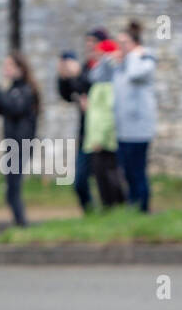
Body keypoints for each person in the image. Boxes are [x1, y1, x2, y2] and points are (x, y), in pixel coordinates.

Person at [0, 50, 41, 230]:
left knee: (13, 190)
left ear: (20, 68)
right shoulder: (13, 89)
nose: (6, 69)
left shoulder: (25, 90)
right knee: (11, 190)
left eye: (9, 65)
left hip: (21, 145)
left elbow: (13, 108)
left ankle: (22, 225)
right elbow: (0, 108)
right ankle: (20, 224)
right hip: (12, 145)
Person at [56, 28, 107, 212]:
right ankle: (91, 214)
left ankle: (111, 214)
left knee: (106, 179)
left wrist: (76, 75)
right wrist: (63, 77)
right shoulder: (86, 67)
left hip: (103, 133)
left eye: (93, 42)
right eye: (87, 43)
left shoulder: (105, 68)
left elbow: (89, 87)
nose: (89, 46)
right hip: (86, 133)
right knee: (80, 180)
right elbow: (70, 95)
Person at [114, 20, 157, 213]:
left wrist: (133, 55)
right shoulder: (121, 65)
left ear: (135, 44)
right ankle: (133, 207)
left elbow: (134, 74)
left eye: (124, 44)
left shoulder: (145, 62)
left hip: (139, 130)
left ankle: (143, 209)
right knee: (127, 172)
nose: (120, 48)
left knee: (138, 172)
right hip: (123, 130)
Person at [82, 38, 127, 207]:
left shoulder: (108, 87)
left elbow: (107, 114)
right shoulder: (99, 85)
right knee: (100, 175)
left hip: (104, 139)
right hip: (97, 138)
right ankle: (108, 208)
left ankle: (116, 207)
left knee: (109, 175)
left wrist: (99, 138)